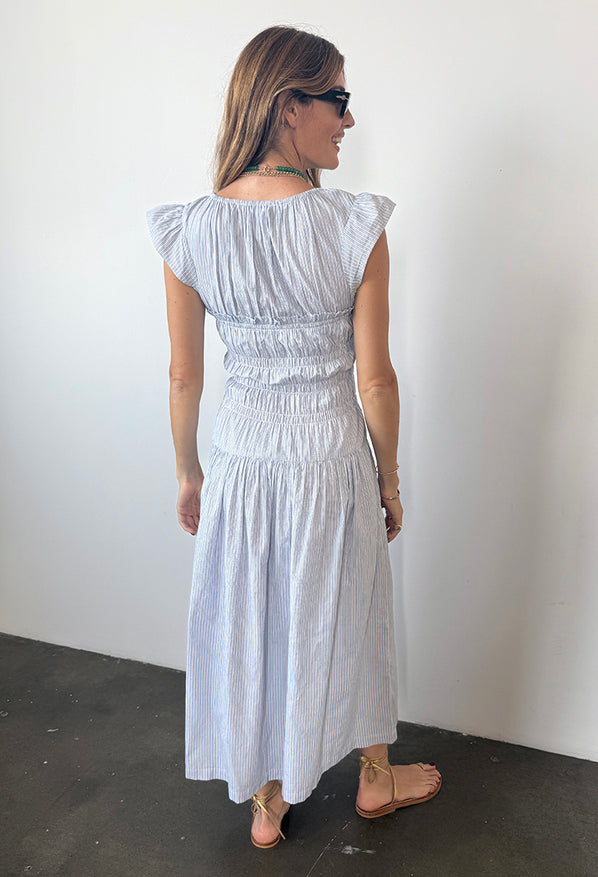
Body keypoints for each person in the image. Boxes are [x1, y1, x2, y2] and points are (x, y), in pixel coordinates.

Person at [146, 24, 441, 849]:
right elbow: (376, 380)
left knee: (257, 612)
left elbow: (182, 376)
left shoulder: (192, 229)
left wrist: (187, 471)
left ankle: (267, 799)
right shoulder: (352, 225)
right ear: (290, 108)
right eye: (338, 101)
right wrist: (389, 481)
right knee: (347, 607)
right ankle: (375, 778)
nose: (349, 120)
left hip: (241, 457)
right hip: (328, 455)